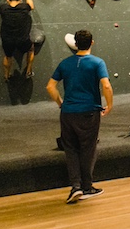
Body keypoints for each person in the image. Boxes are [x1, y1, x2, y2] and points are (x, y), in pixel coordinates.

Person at [46, 29, 113, 204]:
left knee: (71, 150)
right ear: (92, 43)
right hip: (89, 112)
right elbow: (106, 86)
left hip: (68, 113)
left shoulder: (65, 63)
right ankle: (87, 187)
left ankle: (75, 186)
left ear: (75, 44)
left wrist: (61, 103)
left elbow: (50, 87)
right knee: (88, 149)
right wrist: (110, 105)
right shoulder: (98, 63)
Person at [0, 0, 35, 80]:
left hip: (8, 40)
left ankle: (7, 75)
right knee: (31, 50)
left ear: (7, 0)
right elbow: (31, 6)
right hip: (23, 39)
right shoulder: (24, 7)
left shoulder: (4, 8)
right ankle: (29, 70)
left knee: (8, 56)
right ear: (20, 0)